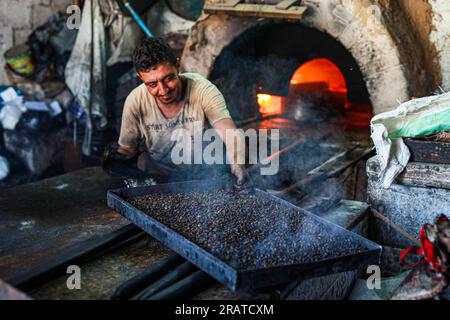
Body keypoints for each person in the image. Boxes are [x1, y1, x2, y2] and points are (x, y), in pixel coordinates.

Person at [103, 37, 246, 184]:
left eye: (168, 78)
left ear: (178, 65)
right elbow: (127, 149)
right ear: (140, 77)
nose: (163, 90)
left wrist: (237, 164)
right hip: (157, 175)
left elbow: (231, 133)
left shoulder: (203, 90)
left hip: (202, 175)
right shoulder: (135, 101)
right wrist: (117, 164)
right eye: (152, 84)